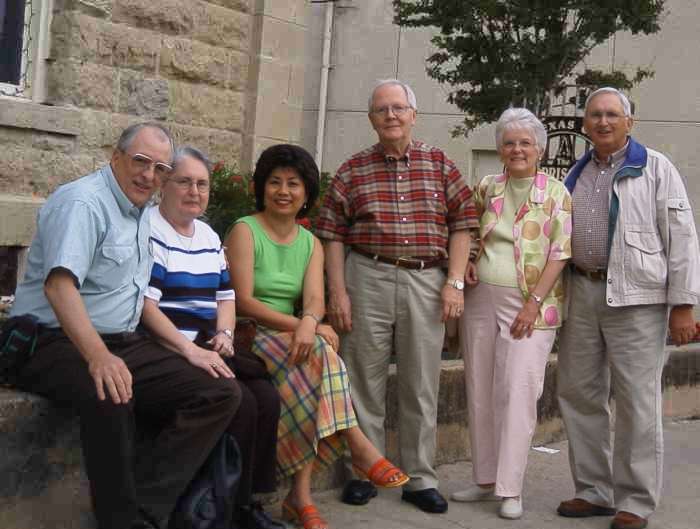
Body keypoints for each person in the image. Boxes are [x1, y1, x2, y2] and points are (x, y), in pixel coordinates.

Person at [9, 123, 241, 529]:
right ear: (115, 157)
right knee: (113, 393)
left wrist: (186, 349)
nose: (149, 176)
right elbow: (59, 287)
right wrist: (98, 356)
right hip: (50, 339)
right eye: (140, 162)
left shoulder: (137, 212)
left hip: (121, 340)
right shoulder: (84, 203)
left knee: (219, 390)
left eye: (160, 168)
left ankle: (144, 512)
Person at [316, 79, 479, 514]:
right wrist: (338, 292)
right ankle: (363, 471)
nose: (391, 115)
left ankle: (420, 477)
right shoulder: (352, 170)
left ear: (413, 114)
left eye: (398, 108)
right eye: (381, 110)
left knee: (420, 383)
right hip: (366, 275)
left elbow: (464, 223)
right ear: (371, 119)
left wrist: (455, 282)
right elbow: (331, 233)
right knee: (361, 379)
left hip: (426, 281)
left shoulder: (440, 163)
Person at [225, 144, 408, 529]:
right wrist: (306, 326)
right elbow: (242, 301)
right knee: (321, 353)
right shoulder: (245, 229)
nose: (283, 191)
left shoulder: (310, 242)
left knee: (311, 370)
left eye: (293, 183)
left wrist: (310, 322)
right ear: (261, 187)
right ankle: (354, 447)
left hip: (291, 335)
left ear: (306, 192)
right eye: (274, 182)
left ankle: (301, 496)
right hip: (249, 332)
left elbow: (314, 299)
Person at [556, 87, 700, 529]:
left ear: (629, 123)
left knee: (637, 402)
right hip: (582, 293)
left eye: (612, 115)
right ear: (585, 124)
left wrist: (683, 305)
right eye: (595, 115)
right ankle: (593, 491)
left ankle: (635, 501)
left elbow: (683, 239)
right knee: (579, 394)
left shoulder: (656, 168)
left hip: (639, 300)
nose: (603, 122)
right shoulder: (575, 173)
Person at [140, 146, 283, 529]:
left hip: (207, 342)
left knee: (267, 397)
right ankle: (215, 508)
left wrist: (225, 333)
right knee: (242, 402)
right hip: (168, 347)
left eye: (202, 184)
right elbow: (145, 308)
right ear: (164, 185)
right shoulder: (150, 230)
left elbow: (226, 296)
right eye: (184, 182)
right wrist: (191, 351)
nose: (194, 191)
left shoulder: (206, 234)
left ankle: (249, 503)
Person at [451, 108, 572, 519]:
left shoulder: (556, 193)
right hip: (480, 298)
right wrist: (468, 259)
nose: (517, 149)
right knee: (480, 387)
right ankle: (484, 479)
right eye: (509, 142)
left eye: (525, 142)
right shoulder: (487, 186)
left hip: (532, 306)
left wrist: (534, 302)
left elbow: (560, 253)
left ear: (539, 148)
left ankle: (511, 487)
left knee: (518, 392)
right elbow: (467, 229)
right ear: (500, 148)